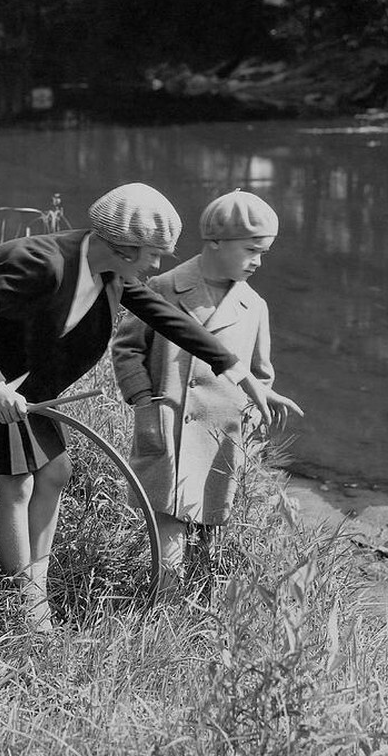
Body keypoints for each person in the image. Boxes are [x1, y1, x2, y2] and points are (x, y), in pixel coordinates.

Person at [0, 182, 294, 631]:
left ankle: (36, 581)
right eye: (153, 254)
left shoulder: (109, 271)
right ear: (125, 247)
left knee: (56, 472)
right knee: (16, 482)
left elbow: (169, 319)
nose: (157, 264)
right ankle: (25, 602)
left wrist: (243, 376)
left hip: (23, 378)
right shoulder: (42, 263)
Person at [111, 189, 304, 591]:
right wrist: (144, 399)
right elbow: (128, 348)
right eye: (252, 250)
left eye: (264, 252)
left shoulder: (254, 306)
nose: (258, 261)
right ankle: (163, 601)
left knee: (214, 518)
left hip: (223, 434)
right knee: (168, 516)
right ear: (216, 241)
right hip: (170, 421)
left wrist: (258, 407)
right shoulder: (165, 286)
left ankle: (204, 597)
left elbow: (259, 371)